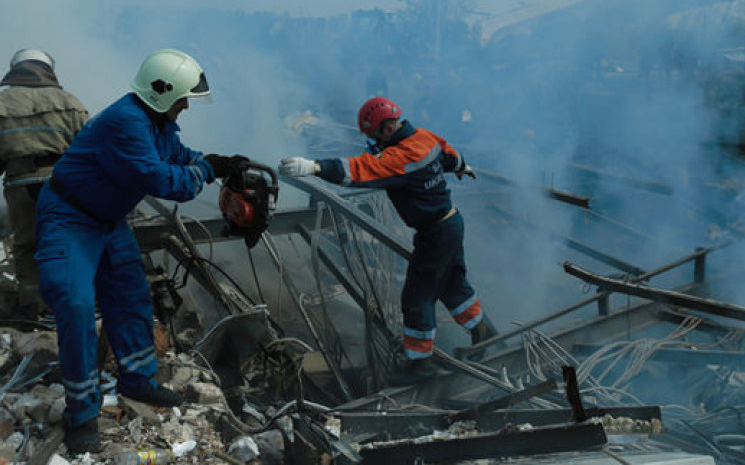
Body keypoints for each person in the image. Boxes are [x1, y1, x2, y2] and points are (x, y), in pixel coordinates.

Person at [34, 48, 247, 454]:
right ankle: (81, 415)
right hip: (69, 219)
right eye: (183, 98)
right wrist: (205, 172)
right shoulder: (127, 123)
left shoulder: (155, 120)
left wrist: (211, 161)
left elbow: (176, 156)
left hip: (107, 220)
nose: (186, 105)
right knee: (77, 307)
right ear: (162, 92)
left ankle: (138, 382)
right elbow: (162, 178)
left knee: (130, 297)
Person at [279, 96, 496, 385]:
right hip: (450, 222)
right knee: (453, 284)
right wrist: (461, 167)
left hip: (435, 232)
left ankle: (421, 364)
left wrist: (314, 167)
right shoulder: (425, 138)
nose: (372, 143)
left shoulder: (399, 158)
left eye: (372, 136)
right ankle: (483, 332)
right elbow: (448, 153)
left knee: (417, 296)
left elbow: (359, 170)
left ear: (385, 129)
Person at [0, 49, 89, 319]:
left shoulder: (2, 103)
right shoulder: (69, 102)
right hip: (61, 185)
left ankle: (34, 308)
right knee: (67, 243)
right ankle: (72, 306)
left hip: (20, 185)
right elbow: (90, 150)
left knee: (26, 247)